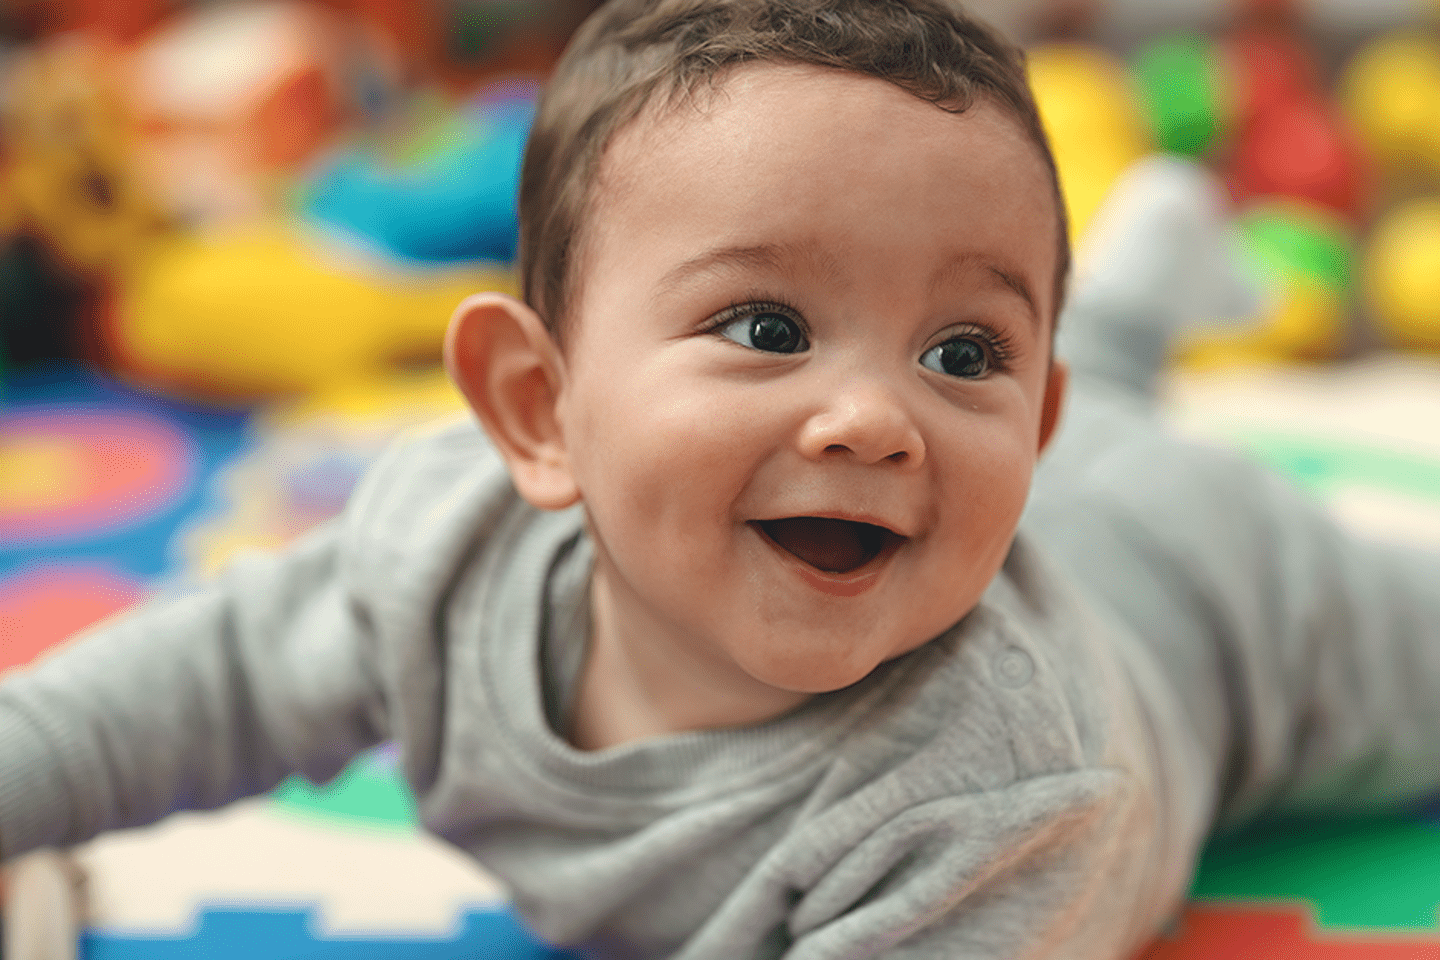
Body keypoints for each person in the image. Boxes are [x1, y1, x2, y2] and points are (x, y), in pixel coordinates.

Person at [4, 1, 1440, 957]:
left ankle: (1115, 330)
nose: (875, 418)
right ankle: (1130, 306)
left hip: (1220, 607)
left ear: (1031, 416)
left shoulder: (994, 787)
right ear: (537, 407)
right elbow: (200, 685)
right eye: (766, 329)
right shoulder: (439, 549)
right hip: (1100, 497)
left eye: (964, 348)